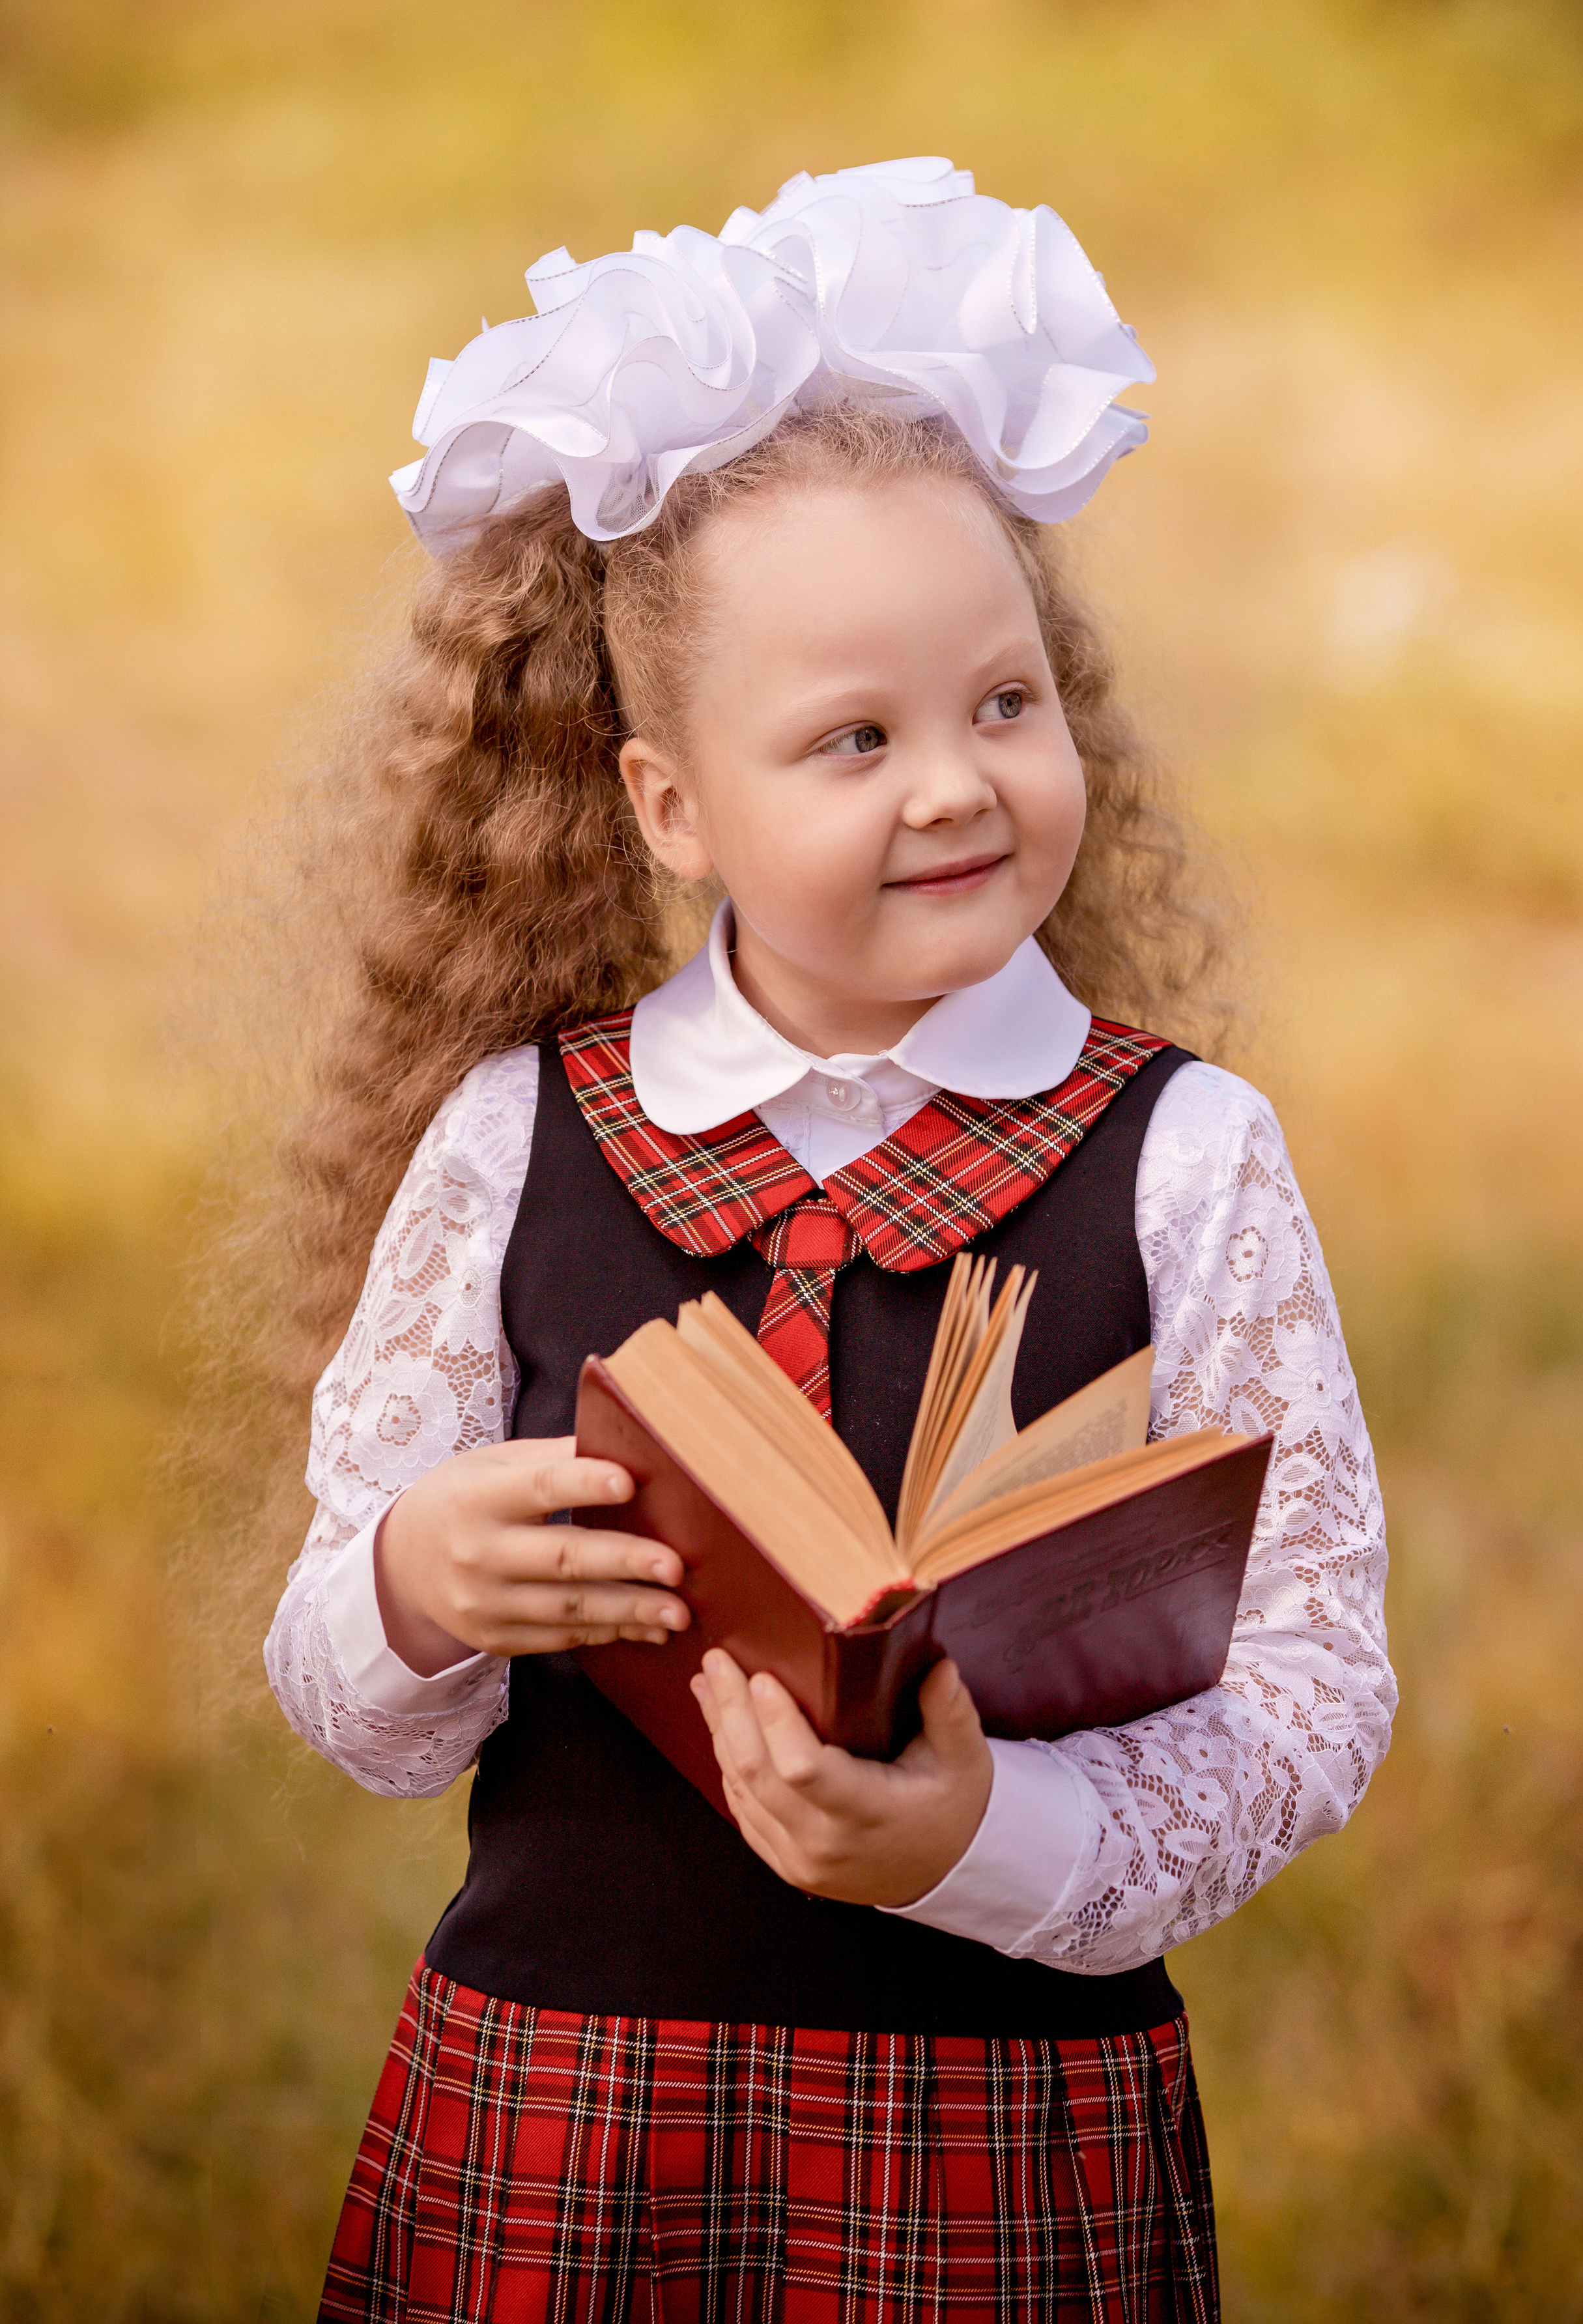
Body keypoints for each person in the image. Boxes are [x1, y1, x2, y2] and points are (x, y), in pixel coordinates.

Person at [263, 158, 1395, 2321]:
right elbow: (341, 1682)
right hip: (568, 2096)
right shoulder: (521, 1139)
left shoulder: (1185, 1155)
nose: (958, 787)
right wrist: (414, 1583)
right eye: (853, 739)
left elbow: (1315, 1687)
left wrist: (983, 1843)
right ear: (670, 804)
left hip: (1004, 2120)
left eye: (1005, 702)